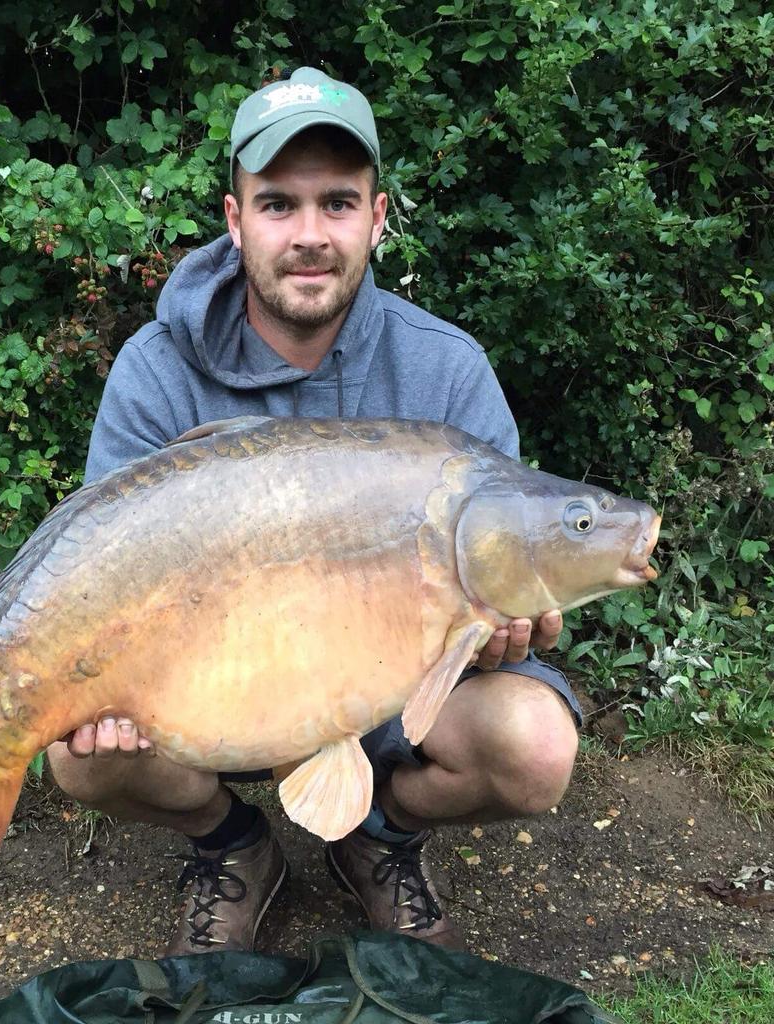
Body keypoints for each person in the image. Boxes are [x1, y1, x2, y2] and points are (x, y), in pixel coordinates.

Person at [48, 67, 579, 956]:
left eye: (337, 204)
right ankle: (233, 844)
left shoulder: (446, 371)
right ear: (234, 218)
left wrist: (505, 625)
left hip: (389, 690)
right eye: (278, 205)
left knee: (534, 746)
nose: (309, 236)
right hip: (211, 691)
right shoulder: (155, 370)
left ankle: (379, 838)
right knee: (78, 750)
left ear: (376, 218)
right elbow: (101, 567)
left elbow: (510, 561)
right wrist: (98, 678)